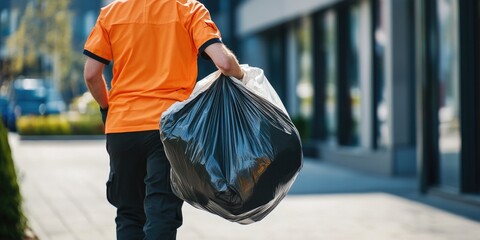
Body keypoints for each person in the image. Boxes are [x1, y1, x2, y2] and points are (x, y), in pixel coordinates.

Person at [83, 0, 244, 239]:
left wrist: (108, 108)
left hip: (122, 127)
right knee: (161, 213)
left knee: (128, 212)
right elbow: (223, 62)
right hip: (168, 129)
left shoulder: (112, 13)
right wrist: (243, 76)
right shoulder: (190, 10)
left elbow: (91, 74)